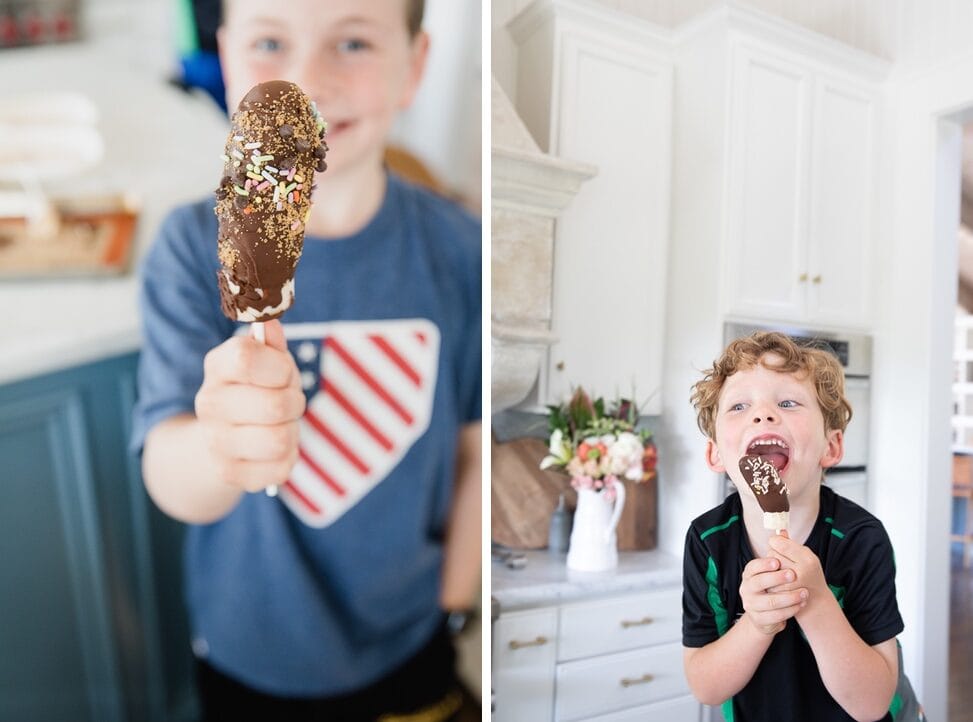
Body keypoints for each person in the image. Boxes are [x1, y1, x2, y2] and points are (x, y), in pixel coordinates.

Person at [131, 0, 481, 719]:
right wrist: (219, 442)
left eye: (352, 41)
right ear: (227, 61)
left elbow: (477, 453)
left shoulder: (460, 252)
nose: (305, 83)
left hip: (412, 641)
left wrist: (452, 602)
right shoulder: (191, 247)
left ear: (412, 67)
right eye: (269, 43)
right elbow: (169, 472)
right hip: (252, 650)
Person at [682, 332, 923, 721]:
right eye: (740, 405)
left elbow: (872, 704)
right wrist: (757, 624)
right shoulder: (708, 541)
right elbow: (706, 688)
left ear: (831, 448)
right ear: (715, 454)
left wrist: (816, 600)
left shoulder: (861, 539)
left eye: (788, 402)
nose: (762, 414)